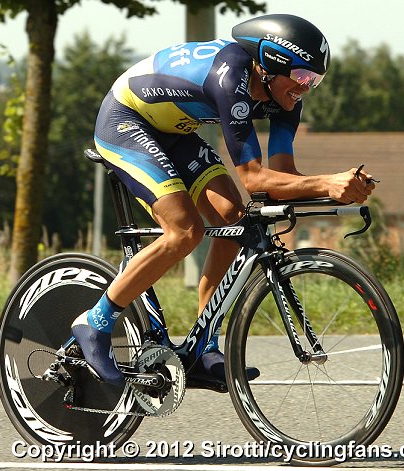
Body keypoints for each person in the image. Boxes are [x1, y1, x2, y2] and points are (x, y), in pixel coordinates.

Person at [71, 14, 375, 387]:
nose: (306, 88)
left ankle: (202, 347)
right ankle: (95, 321)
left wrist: (336, 189)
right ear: (270, 64)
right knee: (184, 231)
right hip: (126, 119)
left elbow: (280, 181)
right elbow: (252, 178)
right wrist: (328, 182)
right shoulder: (231, 77)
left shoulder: (287, 101)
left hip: (173, 131)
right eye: (301, 77)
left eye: (315, 80)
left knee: (232, 218)